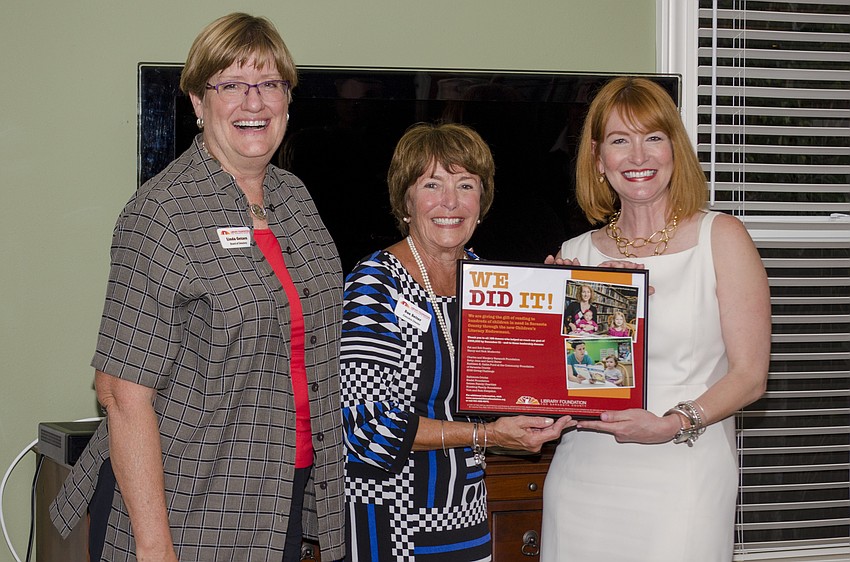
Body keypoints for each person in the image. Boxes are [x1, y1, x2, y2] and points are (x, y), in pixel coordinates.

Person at [49, 13, 345, 562]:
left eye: (269, 84)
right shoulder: (161, 213)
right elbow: (120, 393)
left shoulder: (296, 199)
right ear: (196, 101)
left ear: (288, 98)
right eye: (230, 85)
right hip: (191, 502)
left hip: (290, 491)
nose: (253, 103)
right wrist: (155, 547)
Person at [541, 76, 770, 561]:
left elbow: (750, 377)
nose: (638, 156)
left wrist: (671, 424)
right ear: (600, 160)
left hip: (683, 474)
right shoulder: (574, 253)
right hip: (583, 479)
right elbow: (578, 381)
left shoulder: (722, 237)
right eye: (621, 141)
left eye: (653, 138)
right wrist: (541, 317)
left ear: (674, 150)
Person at [340, 123, 574, 561]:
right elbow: (367, 426)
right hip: (390, 511)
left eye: (466, 185)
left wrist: (567, 299)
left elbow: (527, 385)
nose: (450, 202)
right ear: (406, 201)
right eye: (433, 184)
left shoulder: (493, 283)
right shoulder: (376, 284)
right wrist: (486, 435)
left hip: (465, 509)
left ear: (481, 202)